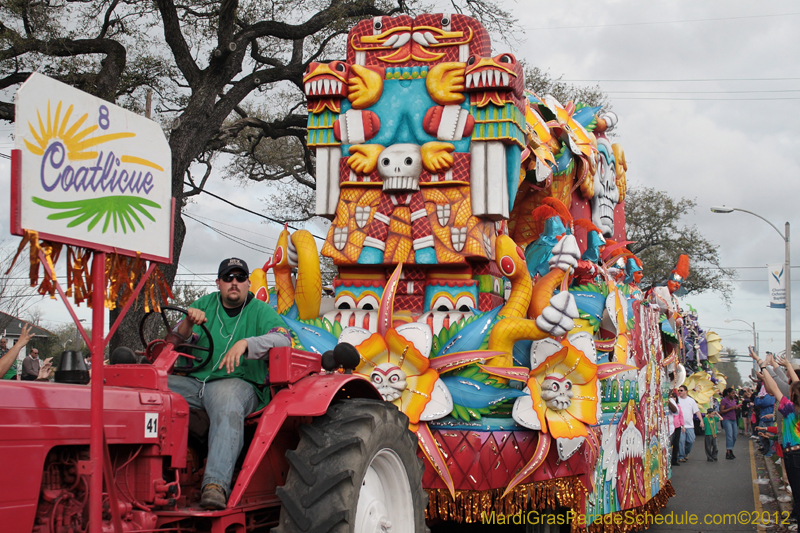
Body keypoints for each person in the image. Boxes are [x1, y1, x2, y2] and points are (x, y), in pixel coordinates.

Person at [169, 258, 291, 510]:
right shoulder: (203, 304)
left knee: (226, 400)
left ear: (248, 283)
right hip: (195, 383)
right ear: (218, 283)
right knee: (151, 391)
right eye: (228, 278)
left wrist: (246, 344)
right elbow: (174, 339)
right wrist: (188, 322)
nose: (233, 282)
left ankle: (215, 485)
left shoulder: (260, 310)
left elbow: (283, 339)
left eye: (239, 277)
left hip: (238, 384)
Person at [755, 353, 800, 524]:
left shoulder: (790, 410)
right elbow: (795, 385)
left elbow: (773, 387)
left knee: (797, 492)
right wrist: (787, 366)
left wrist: (763, 366)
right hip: (795, 453)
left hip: (794, 456)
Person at [677, 385, 704, 462]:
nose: (679, 392)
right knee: (681, 441)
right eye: (679, 390)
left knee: (691, 440)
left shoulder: (691, 401)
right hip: (680, 425)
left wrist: (701, 421)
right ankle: (681, 456)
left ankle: (686, 452)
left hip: (690, 425)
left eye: (681, 390)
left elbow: (697, 411)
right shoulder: (677, 400)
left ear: (686, 391)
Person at [719, 387, 741, 459]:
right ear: (728, 393)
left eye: (734, 393)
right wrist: (730, 409)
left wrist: (736, 408)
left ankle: (731, 449)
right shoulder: (724, 401)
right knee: (729, 435)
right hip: (726, 419)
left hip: (733, 419)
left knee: (734, 436)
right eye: (732, 393)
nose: (734, 395)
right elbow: (721, 411)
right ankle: (728, 451)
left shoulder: (733, 400)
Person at [668, 389, 683, 467]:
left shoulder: (670, 400)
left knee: (671, 446)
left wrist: (667, 401)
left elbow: (675, 411)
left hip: (669, 428)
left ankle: (670, 463)